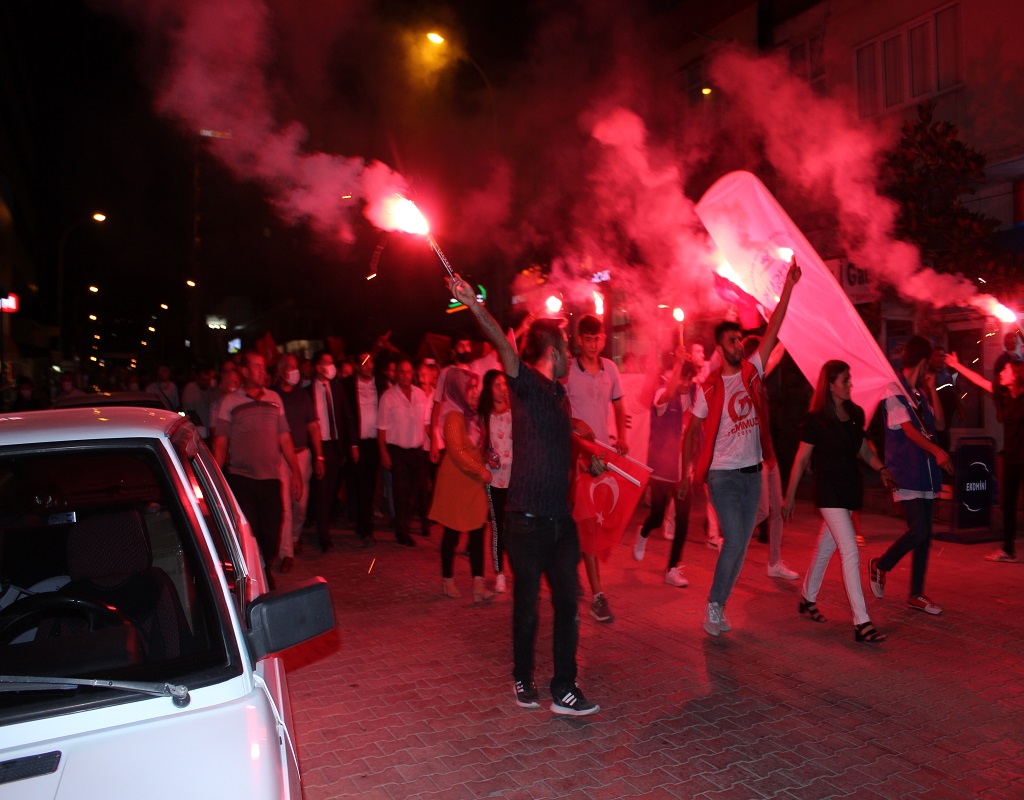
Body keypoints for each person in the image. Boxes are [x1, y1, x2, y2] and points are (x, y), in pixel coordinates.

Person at [449, 273, 599, 717]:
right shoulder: (527, 384)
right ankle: (521, 675)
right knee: (528, 607)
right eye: (568, 349)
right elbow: (504, 347)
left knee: (569, 604)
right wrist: (475, 306)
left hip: (560, 520)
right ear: (554, 352)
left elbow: (562, 439)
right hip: (527, 520)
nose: (571, 355)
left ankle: (565, 688)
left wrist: (588, 458)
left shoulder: (558, 395)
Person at [680, 259, 801, 637]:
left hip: (752, 474)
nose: (738, 344)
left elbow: (775, 327)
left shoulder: (752, 372)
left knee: (742, 545)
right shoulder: (710, 386)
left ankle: (720, 605)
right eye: (731, 340)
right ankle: (714, 605)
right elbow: (691, 431)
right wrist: (687, 472)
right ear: (721, 346)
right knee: (733, 540)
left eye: (739, 340)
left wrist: (789, 288)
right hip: (721, 476)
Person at [783, 360, 892, 644]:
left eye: (849, 379)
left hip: (849, 490)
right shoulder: (816, 419)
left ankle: (807, 598)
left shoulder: (855, 414)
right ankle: (861, 621)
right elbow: (802, 458)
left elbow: (863, 450)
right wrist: (790, 494)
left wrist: (881, 469)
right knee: (850, 550)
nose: (850, 384)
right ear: (830, 385)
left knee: (824, 548)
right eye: (845, 380)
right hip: (829, 492)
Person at [868, 335, 953, 615]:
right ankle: (881, 564)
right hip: (907, 471)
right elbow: (908, 431)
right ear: (924, 361)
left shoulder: (919, 393)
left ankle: (916, 594)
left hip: (925, 473)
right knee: (918, 530)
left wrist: (933, 390)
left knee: (925, 535)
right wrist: (938, 453)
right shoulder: (894, 390)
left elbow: (939, 423)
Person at [212, 351, 302, 586]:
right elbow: (220, 443)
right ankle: (259, 575)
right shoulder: (230, 402)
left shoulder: (275, 399)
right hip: (242, 479)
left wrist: (296, 472)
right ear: (244, 371)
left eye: (264, 367)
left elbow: (284, 438)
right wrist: (214, 479)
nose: (263, 372)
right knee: (249, 532)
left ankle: (265, 562)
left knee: (271, 532)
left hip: (271, 478)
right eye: (257, 367)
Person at [563, 313, 628, 624]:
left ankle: (573, 570)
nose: (592, 344)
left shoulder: (611, 369)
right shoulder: (568, 372)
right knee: (585, 521)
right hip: (576, 456)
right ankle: (598, 595)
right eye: (587, 339)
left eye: (597, 338)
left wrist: (624, 437)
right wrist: (574, 422)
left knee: (592, 522)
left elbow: (619, 404)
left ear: (603, 339)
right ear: (579, 340)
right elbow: (559, 407)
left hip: (601, 458)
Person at [944, 352, 1022, 563]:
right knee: (1008, 505)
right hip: (1011, 458)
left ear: (1016, 375)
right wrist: (957, 365)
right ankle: (1008, 550)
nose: (1001, 373)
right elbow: (979, 381)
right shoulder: (1003, 394)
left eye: (1006, 370)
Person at [429, 368, 494, 601]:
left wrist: (489, 460)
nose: (475, 393)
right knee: (452, 533)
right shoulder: (454, 418)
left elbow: (480, 448)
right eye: (470, 388)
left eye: (476, 387)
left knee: (478, 532)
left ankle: (478, 584)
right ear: (458, 390)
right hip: (457, 482)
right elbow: (456, 452)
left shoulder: (474, 416)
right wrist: (481, 470)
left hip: (474, 483)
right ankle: (448, 580)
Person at [633, 347, 695, 588]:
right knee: (658, 516)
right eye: (682, 377)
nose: (686, 383)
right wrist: (678, 366)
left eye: (690, 378)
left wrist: (691, 468)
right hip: (662, 468)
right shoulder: (662, 391)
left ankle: (672, 568)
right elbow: (667, 395)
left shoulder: (694, 395)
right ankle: (644, 532)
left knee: (684, 519)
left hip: (683, 469)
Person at [275, 353, 323, 571]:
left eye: (296, 367)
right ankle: (287, 553)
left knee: (300, 503)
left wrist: (320, 456)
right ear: (280, 370)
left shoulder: (303, 396)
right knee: (284, 506)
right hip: (280, 457)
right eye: (290, 367)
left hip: (303, 455)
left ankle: (295, 536)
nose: (295, 371)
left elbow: (313, 426)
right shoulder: (273, 396)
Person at [377, 357, 430, 547]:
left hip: (417, 451)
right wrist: (383, 453)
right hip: (397, 452)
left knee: (414, 493)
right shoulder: (388, 397)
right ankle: (401, 531)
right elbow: (381, 428)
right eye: (401, 372)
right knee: (400, 493)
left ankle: (405, 524)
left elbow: (426, 424)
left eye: (408, 372)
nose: (405, 376)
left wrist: (432, 448)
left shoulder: (420, 394)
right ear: (396, 374)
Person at [309, 350, 358, 553]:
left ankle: (323, 523)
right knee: (322, 491)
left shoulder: (337, 388)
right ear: (318, 366)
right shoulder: (308, 391)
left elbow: (347, 417)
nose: (331, 367)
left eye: (332, 363)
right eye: (327, 363)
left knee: (331, 491)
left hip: (336, 446)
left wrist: (353, 444)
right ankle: (324, 536)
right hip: (319, 445)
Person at [342, 352, 384, 545]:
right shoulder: (349, 385)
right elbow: (347, 416)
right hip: (357, 442)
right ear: (358, 366)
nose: (369, 366)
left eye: (371, 362)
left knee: (371, 484)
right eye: (364, 363)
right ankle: (364, 526)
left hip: (376, 441)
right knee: (360, 484)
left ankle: (365, 524)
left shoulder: (381, 383)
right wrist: (352, 443)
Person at [479, 370, 513, 593]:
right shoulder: (484, 416)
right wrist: (486, 457)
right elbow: (480, 446)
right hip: (494, 480)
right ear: (489, 389)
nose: (502, 389)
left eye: (504, 384)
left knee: (515, 527)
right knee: (498, 527)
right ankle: (499, 572)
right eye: (497, 385)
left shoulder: (516, 413)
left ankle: (519, 569)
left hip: (516, 478)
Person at [181, 365, 216, 438]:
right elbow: (191, 412)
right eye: (203, 380)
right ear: (197, 378)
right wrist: (202, 432)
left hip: (208, 432)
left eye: (208, 380)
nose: (206, 382)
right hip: (196, 433)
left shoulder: (212, 390)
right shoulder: (190, 388)